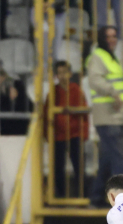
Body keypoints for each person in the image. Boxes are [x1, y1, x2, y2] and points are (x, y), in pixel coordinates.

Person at [88, 26, 123, 207]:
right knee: (118, 158)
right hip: (107, 115)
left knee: (106, 160)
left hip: (114, 115)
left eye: (114, 36)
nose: (112, 39)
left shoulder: (109, 57)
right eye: (108, 36)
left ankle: (96, 197)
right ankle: (122, 201)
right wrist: (113, 92)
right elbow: (95, 80)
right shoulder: (99, 56)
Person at [43, 61, 89, 197]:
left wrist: (84, 133)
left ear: (70, 73)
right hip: (58, 135)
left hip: (75, 134)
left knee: (79, 167)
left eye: (64, 72)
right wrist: (47, 135)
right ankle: (61, 196)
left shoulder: (77, 91)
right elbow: (46, 115)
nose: (62, 76)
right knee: (58, 169)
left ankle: (83, 196)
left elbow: (84, 113)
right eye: (59, 73)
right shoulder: (53, 92)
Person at [0, 65, 30, 135]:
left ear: (3, 77)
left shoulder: (16, 87)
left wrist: (15, 99)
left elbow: (26, 108)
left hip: (21, 131)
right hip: (0, 135)